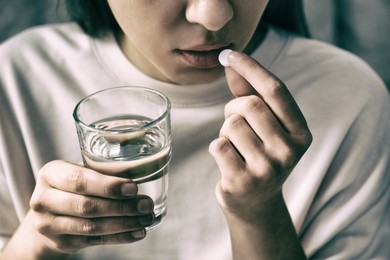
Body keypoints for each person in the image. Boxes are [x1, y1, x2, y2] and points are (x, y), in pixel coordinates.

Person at [0, 0, 388, 259]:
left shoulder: (348, 96)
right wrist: (37, 239)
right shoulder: (16, 80)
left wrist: (259, 211)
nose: (213, 16)